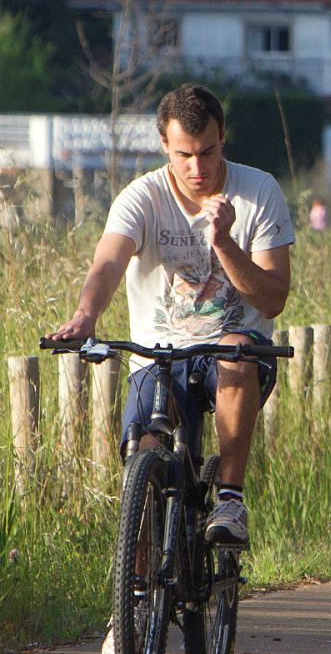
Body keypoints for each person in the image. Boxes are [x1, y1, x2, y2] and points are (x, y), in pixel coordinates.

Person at [47, 83, 293, 552]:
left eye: (208, 152)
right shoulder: (142, 197)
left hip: (234, 353)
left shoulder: (259, 191)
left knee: (235, 351)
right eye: (184, 155)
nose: (198, 168)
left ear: (223, 137)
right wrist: (85, 315)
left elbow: (273, 299)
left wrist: (224, 243)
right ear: (164, 145)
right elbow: (108, 262)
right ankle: (136, 593)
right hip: (159, 355)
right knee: (142, 462)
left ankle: (230, 499)